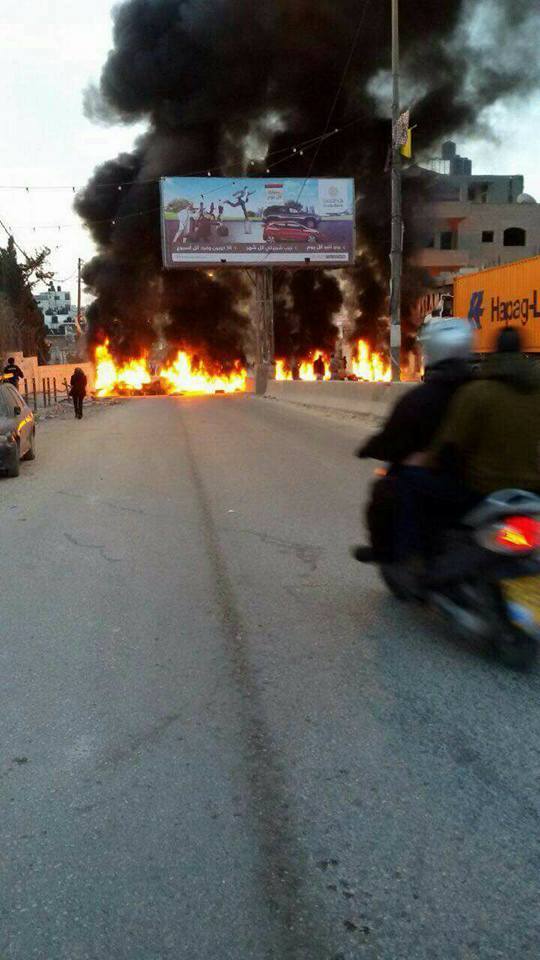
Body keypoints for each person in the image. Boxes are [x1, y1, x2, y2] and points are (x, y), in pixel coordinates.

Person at [395, 326, 540, 566]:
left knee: (409, 481)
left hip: (483, 490)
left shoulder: (476, 392)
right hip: (533, 490)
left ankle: (411, 558)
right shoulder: (536, 393)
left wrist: (426, 461)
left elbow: (450, 442)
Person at [353, 317, 474, 562]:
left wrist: (367, 449)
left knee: (388, 488)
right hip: (482, 483)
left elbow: (393, 439)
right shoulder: (481, 391)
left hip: (450, 482)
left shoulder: (420, 399)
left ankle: (388, 551)